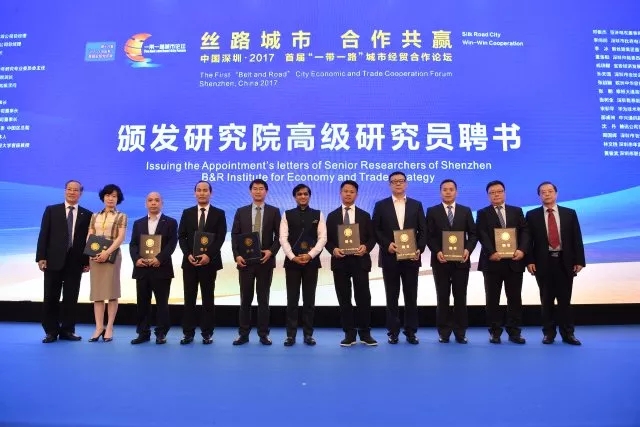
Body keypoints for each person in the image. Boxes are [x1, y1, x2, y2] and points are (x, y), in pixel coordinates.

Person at [526, 181, 585, 345]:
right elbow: (528, 241)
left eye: (550, 191)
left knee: (565, 300)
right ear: (539, 196)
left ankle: (568, 334)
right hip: (542, 263)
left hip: (565, 262)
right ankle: (549, 333)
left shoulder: (569, 213)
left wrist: (579, 260)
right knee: (546, 300)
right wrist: (529, 260)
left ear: (556, 193)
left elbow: (577, 238)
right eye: (543, 192)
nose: (547, 194)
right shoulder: (532, 215)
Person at [372, 171, 427, 345]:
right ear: (389, 185)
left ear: (406, 184)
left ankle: (411, 332)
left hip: (411, 258)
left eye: (401, 181)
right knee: (392, 296)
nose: (398, 184)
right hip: (390, 257)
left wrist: (419, 248)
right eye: (394, 181)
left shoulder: (416, 205)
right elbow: (375, 229)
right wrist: (386, 244)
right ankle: (393, 332)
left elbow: (423, 230)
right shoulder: (381, 205)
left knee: (411, 296)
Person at [36, 180, 92, 343]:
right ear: (65, 191)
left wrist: (87, 261)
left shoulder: (87, 214)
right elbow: (44, 234)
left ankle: (68, 330)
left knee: (71, 297)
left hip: (75, 261)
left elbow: (88, 240)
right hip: (53, 260)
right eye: (69, 189)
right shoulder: (51, 210)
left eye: (76, 190)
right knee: (50, 296)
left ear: (80, 193)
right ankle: (51, 331)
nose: (72, 192)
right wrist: (41, 257)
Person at [325, 180, 378, 346]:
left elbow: (372, 238)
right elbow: (326, 240)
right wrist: (333, 249)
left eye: (352, 191)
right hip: (340, 262)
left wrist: (366, 247)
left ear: (357, 194)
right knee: (344, 299)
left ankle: (365, 333)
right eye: (345, 191)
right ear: (340, 193)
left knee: (363, 298)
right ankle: (349, 333)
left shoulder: (365, 215)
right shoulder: (332, 216)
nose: (348, 194)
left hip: (360, 261)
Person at [476, 180, 529, 344]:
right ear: (488, 196)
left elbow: (525, 232)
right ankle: (495, 331)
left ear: (504, 193)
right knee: (492, 299)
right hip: (492, 262)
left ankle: (514, 332)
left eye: (499, 191)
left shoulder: (516, 211)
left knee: (514, 298)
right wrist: (491, 252)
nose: (496, 195)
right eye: (492, 193)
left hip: (514, 261)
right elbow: (481, 234)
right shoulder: (483, 213)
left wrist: (522, 250)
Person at [425, 179, 477, 344]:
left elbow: (473, 234)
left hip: (461, 261)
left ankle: (461, 332)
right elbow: (429, 235)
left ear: (456, 192)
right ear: (440, 192)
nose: (448, 192)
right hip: (440, 261)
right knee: (442, 296)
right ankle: (444, 332)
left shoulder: (465, 211)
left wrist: (468, 249)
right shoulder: (432, 211)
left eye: (451, 189)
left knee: (460, 296)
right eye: (445, 189)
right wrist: (437, 251)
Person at [230, 179, 281, 346]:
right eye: (255, 189)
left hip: (265, 262)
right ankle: (243, 334)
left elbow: (279, 236)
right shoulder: (241, 211)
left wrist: (271, 251)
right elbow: (235, 235)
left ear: (266, 191)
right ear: (250, 191)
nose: (258, 191)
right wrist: (237, 255)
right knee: (245, 299)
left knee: (263, 299)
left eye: (261, 189)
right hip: (245, 262)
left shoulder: (274, 211)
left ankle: (263, 334)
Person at [178, 181, 227, 345]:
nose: (202, 193)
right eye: (199, 190)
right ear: (195, 193)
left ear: (211, 193)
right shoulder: (187, 213)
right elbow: (181, 236)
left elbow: (220, 238)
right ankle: (188, 333)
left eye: (205, 190)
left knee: (208, 298)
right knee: (189, 298)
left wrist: (208, 255)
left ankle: (207, 333)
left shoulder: (219, 213)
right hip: (190, 262)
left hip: (209, 263)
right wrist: (187, 254)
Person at [279, 184, 327, 346]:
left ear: (309, 196)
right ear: (295, 197)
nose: (303, 196)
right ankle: (290, 335)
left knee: (309, 301)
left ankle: (308, 335)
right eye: (299, 194)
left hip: (311, 263)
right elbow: (283, 238)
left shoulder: (318, 214)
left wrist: (310, 255)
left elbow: (323, 238)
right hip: (292, 263)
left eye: (305, 194)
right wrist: (293, 257)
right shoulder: (287, 214)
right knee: (292, 300)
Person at [129, 192, 178, 345]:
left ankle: (161, 333)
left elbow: (172, 244)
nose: (153, 203)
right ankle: (143, 333)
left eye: (157, 200)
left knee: (162, 303)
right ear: (146, 203)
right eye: (150, 200)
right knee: (142, 303)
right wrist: (137, 259)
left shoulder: (170, 222)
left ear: (162, 203)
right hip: (142, 269)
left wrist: (159, 259)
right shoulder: (138, 223)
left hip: (161, 269)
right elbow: (133, 244)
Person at [87, 184, 127, 342]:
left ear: (118, 199)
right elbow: (90, 235)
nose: (111, 198)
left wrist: (107, 252)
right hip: (95, 257)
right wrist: (92, 252)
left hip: (112, 256)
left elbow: (121, 237)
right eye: (108, 195)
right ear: (103, 197)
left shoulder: (121, 216)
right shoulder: (94, 216)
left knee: (111, 292)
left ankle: (109, 327)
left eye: (114, 196)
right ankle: (98, 327)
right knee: (97, 293)